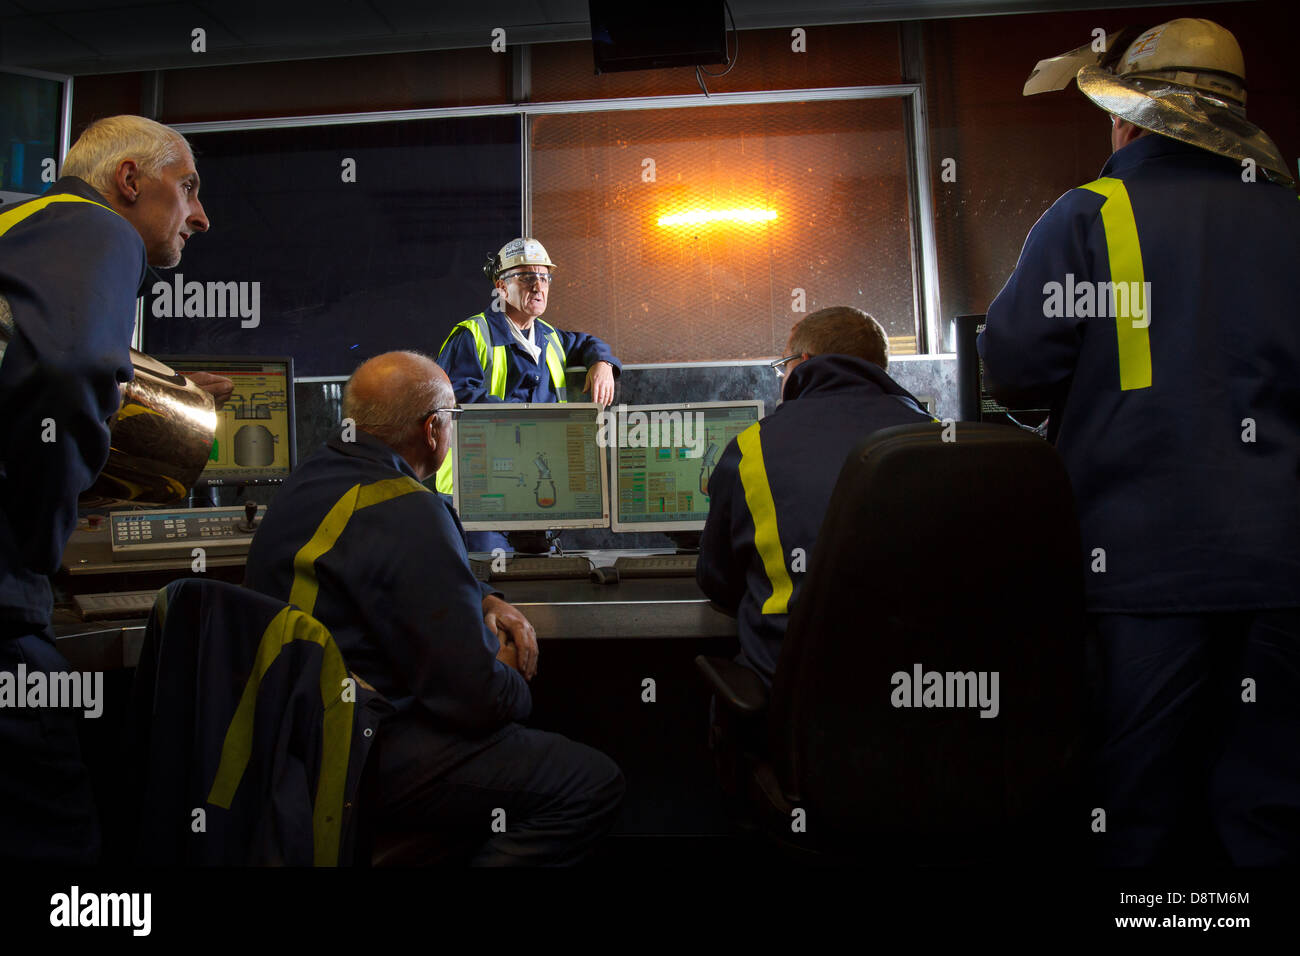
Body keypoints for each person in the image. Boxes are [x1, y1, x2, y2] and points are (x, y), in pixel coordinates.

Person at [979, 18, 1300, 865]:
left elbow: (1011, 368)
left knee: (1139, 812)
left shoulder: (1093, 215)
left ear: (1128, 120)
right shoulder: (1289, 217)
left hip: (1143, 571)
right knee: (1271, 810)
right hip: (1283, 570)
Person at [243, 351, 624, 865]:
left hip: (290, 743)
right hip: (359, 753)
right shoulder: (408, 507)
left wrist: (482, 595)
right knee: (590, 783)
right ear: (432, 431)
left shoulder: (306, 484)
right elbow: (476, 701)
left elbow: (373, 574)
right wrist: (508, 672)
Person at [0, 114, 217, 864]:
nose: (200, 215)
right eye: (186, 189)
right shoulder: (97, 229)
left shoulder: (17, 222)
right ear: (130, 180)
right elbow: (68, 372)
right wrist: (34, 545)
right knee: (59, 843)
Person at [697, 306, 933, 688]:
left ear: (803, 362)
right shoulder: (938, 437)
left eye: (783, 367)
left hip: (792, 699)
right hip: (919, 698)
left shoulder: (754, 447)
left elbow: (718, 582)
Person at [434, 237, 621, 552]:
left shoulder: (549, 337)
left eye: (544, 276)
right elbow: (453, 399)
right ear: (501, 285)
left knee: (537, 585)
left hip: (534, 488)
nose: (538, 286)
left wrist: (602, 363)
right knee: (490, 586)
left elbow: (590, 343)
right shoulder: (471, 335)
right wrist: (533, 423)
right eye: (526, 277)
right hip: (476, 495)